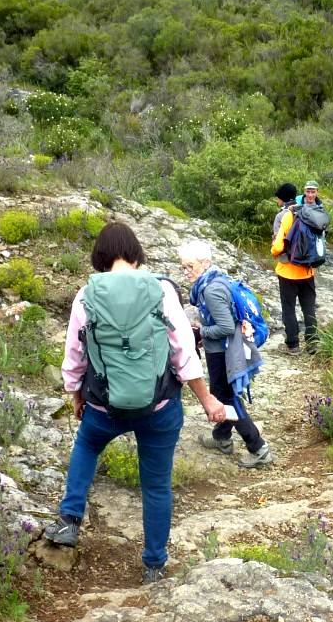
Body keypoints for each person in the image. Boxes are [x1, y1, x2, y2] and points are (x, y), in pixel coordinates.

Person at [44, 222, 227, 585]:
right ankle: (153, 566)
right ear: (136, 252)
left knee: (87, 444)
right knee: (156, 486)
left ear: (101, 255)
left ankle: (69, 518)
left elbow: (75, 355)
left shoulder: (87, 295)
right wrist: (206, 399)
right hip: (159, 407)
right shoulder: (161, 291)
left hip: (103, 405)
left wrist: (76, 395)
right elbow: (182, 353)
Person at [179, 241, 275, 468]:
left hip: (222, 352)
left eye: (190, 266)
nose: (186, 272)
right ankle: (221, 437)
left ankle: (258, 447)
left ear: (206, 263)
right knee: (222, 394)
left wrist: (200, 331)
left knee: (227, 398)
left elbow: (225, 327)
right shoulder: (214, 281)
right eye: (183, 267)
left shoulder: (211, 290)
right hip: (223, 349)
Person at [271, 180, 319, 354]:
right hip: (308, 270)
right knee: (309, 307)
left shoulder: (286, 215)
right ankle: (313, 343)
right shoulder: (309, 211)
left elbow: (278, 245)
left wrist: (274, 252)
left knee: (289, 308)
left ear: (282, 199)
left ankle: (293, 345)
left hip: (288, 272)